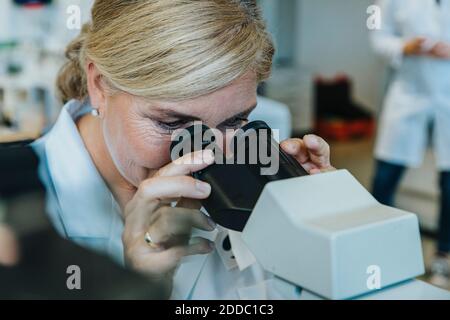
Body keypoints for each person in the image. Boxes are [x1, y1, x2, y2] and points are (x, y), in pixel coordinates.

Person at [33, 0, 335, 299]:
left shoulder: (245, 169)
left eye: (234, 121)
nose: (209, 154)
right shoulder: (19, 206)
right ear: (99, 85)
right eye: (173, 122)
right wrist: (139, 290)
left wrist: (325, 233)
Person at [370, 0, 450, 288]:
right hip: (408, 93)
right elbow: (377, 39)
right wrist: (406, 47)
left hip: (448, 93)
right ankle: (378, 252)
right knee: (384, 179)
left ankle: (443, 257)